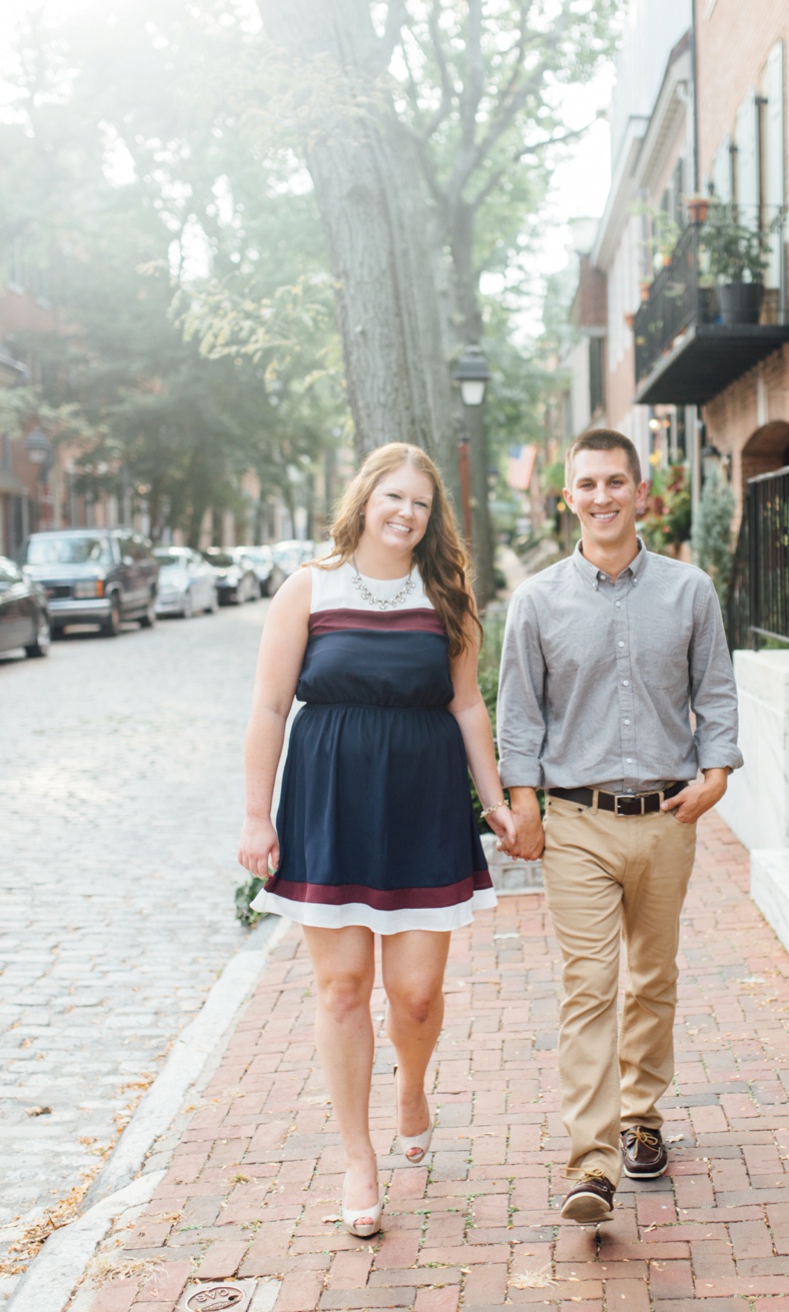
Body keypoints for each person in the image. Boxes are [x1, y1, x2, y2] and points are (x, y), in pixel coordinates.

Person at [238, 443, 525, 1239]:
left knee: (418, 992)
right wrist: (257, 815)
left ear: (433, 519)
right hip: (328, 798)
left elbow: (468, 706)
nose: (406, 513)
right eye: (393, 496)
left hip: (422, 800)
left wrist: (494, 803)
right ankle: (356, 1154)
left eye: (421, 504)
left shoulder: (448, 596)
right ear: (366, 498)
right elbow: (267, 708)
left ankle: (412, 1085)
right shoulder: (309, 587)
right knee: (340, 987)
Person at [494, 427, 742, 1225]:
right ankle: (592, 1164)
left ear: (643, 494)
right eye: (586, 484)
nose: (601, 497)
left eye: (614, 483)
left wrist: (717, 774)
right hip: (577, 823)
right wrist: (524, 801)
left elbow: (718, 690)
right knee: (588, 988)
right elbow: (518, 714)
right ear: (568, 496)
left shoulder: (689, 591)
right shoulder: (536, 602)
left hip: (669, 816)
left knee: (653, 980)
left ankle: (642, 1119)